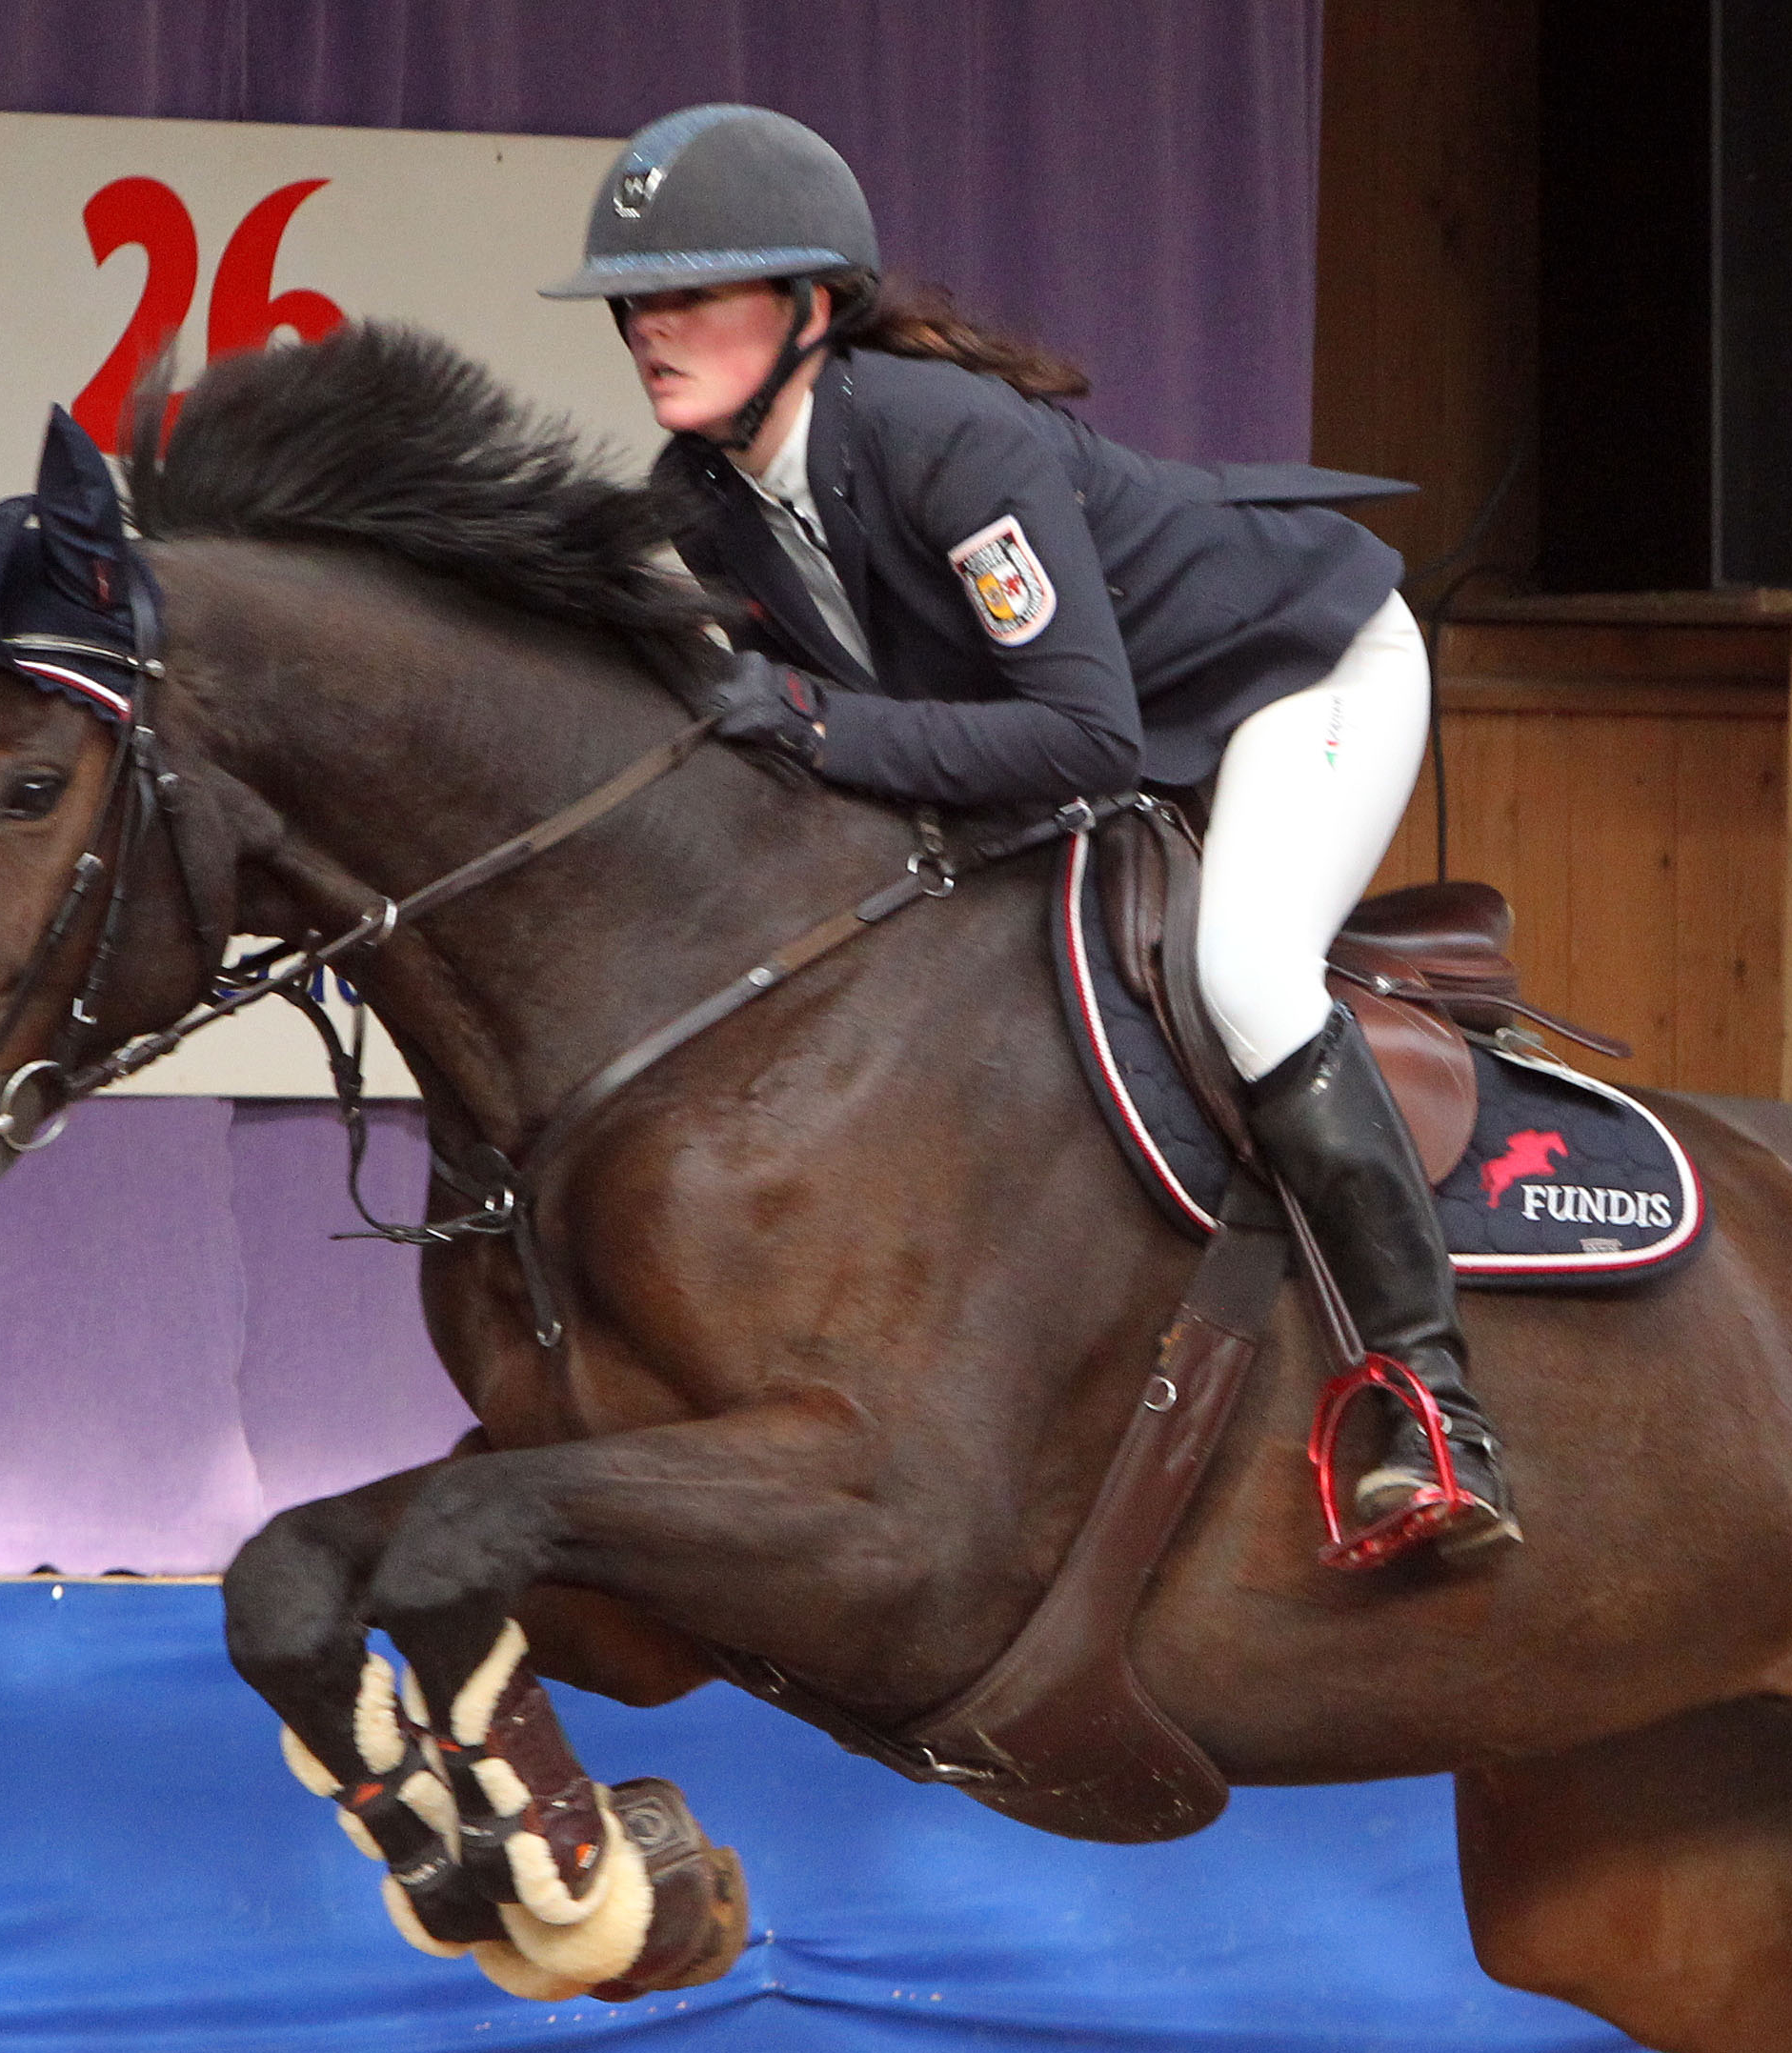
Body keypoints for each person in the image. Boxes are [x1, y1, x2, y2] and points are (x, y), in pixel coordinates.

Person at [547, 104, 1516, 1562]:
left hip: (1300, 671)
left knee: (1247, 972)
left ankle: (1434, 1404)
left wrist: (811, 725)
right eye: (635, 300)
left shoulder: (948, 439)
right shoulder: (706, 497)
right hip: (1126, 719)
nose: (648, 328)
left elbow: (1080, 739)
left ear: (812, 308)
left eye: (689, 292)